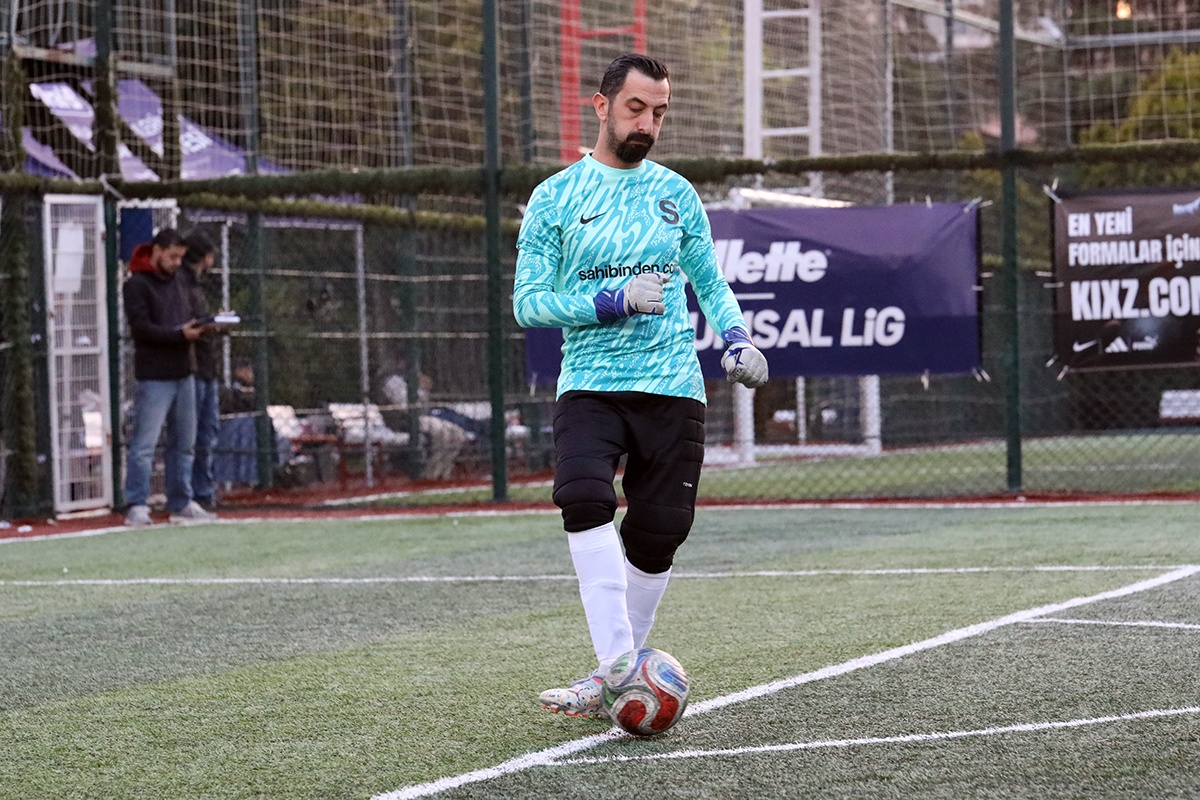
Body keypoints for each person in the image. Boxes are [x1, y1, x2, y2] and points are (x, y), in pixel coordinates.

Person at [512, 53, 768, 718]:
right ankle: (621, 669)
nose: (647, 123)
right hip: (591, 383)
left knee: (660, 531)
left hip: (672, 384)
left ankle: (607, 680)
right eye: (635, 108)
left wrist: (738, 338)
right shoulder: (555, 197)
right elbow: (529, 304)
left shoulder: (676, 194)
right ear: (601, 106)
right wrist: (610, 301)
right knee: (582, 495)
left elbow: (709, 281)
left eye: (658, 112)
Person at [122, 228, 218, 527]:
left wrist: (204, 326)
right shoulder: (136, 285)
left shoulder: (178, 281)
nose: (178, 263)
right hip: (154, 375)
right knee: (145, 444)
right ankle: (137, 504)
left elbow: (186, 318)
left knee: (184, 444)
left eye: (180, 257)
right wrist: (179, 335)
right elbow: (141, 329)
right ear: (157, 251)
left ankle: (181, 501)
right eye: (173, 257)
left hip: (183, 372)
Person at [179, 230, 227, 510]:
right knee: (192, 435)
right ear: (205, 256)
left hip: (206, 367)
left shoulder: (196, 285)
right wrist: (209, 326)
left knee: (207, 433)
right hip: (194, 367)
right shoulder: (182, 284)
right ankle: (191, 492)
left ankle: (203, 491)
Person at [382, 361, 471, 481]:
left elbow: (424, 404)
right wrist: (421, 390)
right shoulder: (393, 381)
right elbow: (405, 405)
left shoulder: (415, 378)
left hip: (424, 416)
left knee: (457, 433)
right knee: (441, 433)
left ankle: (444, 470)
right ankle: (431, 474)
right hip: (403, 420)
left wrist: (425, 389)